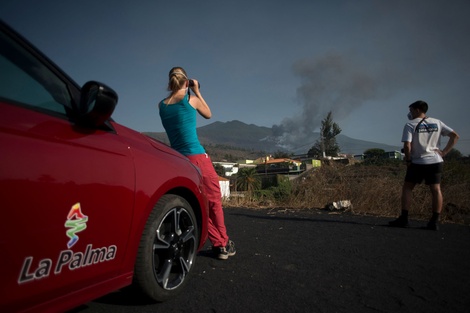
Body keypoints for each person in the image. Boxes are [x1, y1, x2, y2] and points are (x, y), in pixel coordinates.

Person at [158, 66, 236, 259]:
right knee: (214, 201)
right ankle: (223, 244)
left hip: (178, 160)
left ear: (170, 83)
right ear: (186, 82)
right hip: (197, 158)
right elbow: (208, 114)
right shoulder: (191, 100)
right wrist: (197, 90)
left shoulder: (162, 105)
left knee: (197, 203)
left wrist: (186, 88)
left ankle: (219, 244)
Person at [389, 100, 459, 231]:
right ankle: (434, 221)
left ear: (417, 110)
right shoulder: (437, 122)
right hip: (436, 161)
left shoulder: (410, 124)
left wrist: (408, 160)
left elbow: (407, 145)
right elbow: (455, 136)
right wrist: (444, 152)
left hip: (418, 162)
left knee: (407, 188)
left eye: (411, 110)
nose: (409, 113)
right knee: (436, 190)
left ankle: (404, 218)